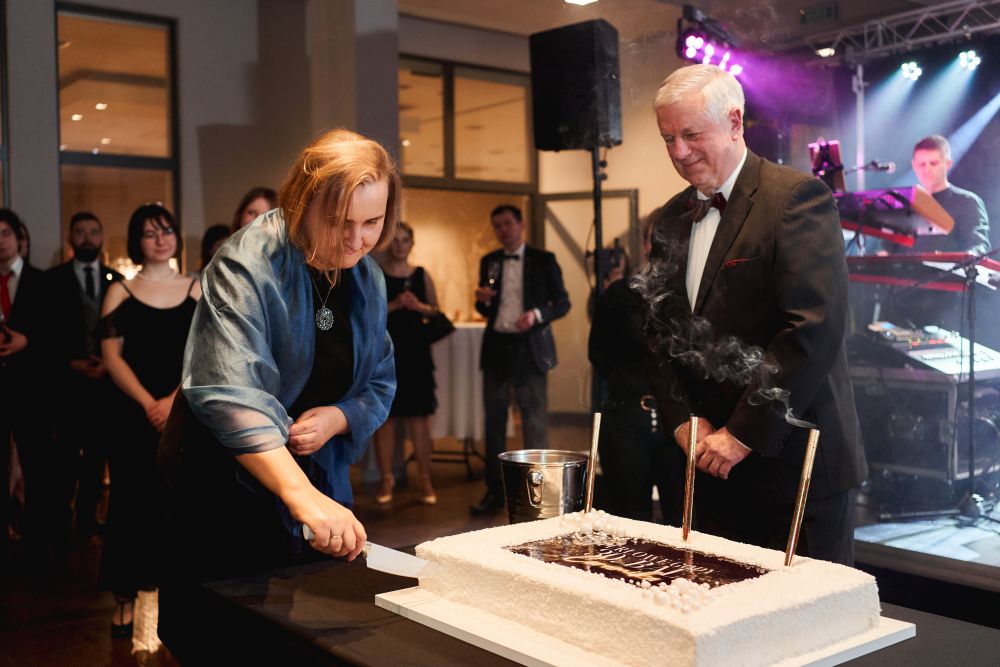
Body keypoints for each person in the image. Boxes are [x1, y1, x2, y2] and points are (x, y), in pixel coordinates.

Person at [157, 129, 397, 664]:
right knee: (222, 637)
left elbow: (380, 378)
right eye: (340, 222)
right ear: (302, 202)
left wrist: (339, 417)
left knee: (290, 636)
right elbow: (231, 393)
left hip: (308, 485)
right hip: (223, 485)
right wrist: (301, 494)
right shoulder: (247, 262)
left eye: (372, 222)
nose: (357, 240)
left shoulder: (367, 280)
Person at [641, 64, 866, 565]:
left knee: (805, 611)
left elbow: (811, 329)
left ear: (735, 122)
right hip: (708, 465)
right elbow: (658, 331)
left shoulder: (796, 197)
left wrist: (742, 433)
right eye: (668, 138)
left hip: (793, 464)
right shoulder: (670, 218)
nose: (679, 152)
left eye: (691, 134)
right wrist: (683, 422)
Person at [98, 203, 200, 638]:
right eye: (150, 233)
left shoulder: (196, 288)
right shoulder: (120, 291)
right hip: (132, 414)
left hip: (183, 412)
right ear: (136, 241)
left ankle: (175, 596)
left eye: (166, 231)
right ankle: (124, 596)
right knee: (128, 502)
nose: (160, 240)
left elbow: (206, 354)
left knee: (177, 505)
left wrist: (172, 400)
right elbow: (111, 357)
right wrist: (148, 403)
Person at [471, 204, 570, 516]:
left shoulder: (543, 260)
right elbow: (486, 309)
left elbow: (563, 303)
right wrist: (482, 301)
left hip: (530, 349)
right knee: (494, 423)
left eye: (507, 224)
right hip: (497, 347)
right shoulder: (489, 261)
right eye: (497, 225)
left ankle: (538, 492)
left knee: (534, 423)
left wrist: (537, 315)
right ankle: (494, 490)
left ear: (521, 224)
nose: (503, 230)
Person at [589, 224, 684, 524]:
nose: (663, 245)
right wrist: (630, 386)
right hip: (627, 418)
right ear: (645, 244)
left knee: (682, 520)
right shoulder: (620, 294)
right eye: (655, 239)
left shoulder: (692, 292)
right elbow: (598, 352)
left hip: (679, 422)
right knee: (628, 520)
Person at [46, 212, 123, 541]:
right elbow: (46, 333)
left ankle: (88, 520)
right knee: (64, 457)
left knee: (97, 455)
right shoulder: (52, 281)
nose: (88, 238)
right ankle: (61, 523)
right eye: (81, 232)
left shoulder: (117, 280)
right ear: (70, 238)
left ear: (102, 238)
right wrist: (72, 362)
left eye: (94, 232)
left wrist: (109, 363)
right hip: (66, 386)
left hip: (106, 387)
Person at [373, 222, 441, 505]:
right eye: (395, 240)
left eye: (405, 240)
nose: (400, 245)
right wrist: (395, 305)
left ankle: (425, 477)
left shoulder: (422, 274)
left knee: (419, 420)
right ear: (388, 244)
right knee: (385, 420)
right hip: (385, 354)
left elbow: (436, 311)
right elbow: (368, 314)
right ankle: (386, 478)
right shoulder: (376, 273)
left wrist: (418, 306)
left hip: (416, 354)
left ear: (412, 244)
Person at [0, 211, 52, 556]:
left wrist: (27, 341)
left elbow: (58, 335)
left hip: (32, 390)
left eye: (5, 233)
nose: (0, 241)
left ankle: (37, 540)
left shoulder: (42, 282)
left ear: (19, 238)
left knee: (37, 466)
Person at [903, 134, 990, 255]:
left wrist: (972, 254)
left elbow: (978, 245)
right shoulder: (904, 204)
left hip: (952, 268)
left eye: (933, 163)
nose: (927, 170)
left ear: (948, 164)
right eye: (922, 164)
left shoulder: (967, 202)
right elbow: (887, 249)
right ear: (914, 166)